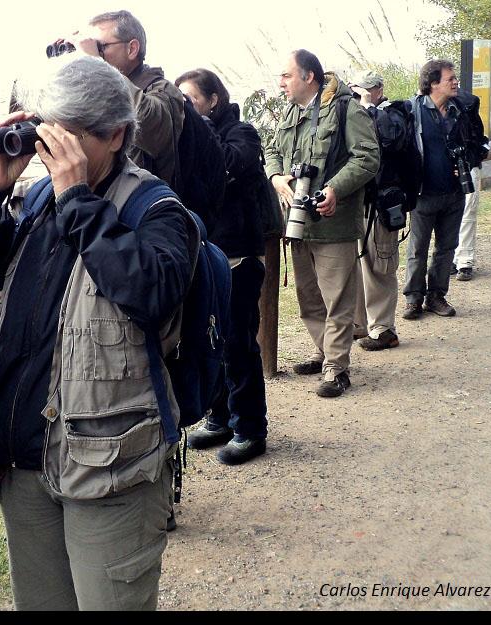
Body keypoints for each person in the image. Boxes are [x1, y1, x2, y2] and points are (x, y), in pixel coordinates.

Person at [0, 56, 199, 611]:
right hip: (25, 459)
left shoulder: (157, 210)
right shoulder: (35, 200)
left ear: (116, 135)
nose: (52, 147)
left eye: (69, 134)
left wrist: (77, 200)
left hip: (110, 470)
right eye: (46, 129)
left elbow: (151, 292)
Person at [266, 50, 379, 397]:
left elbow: (368, 157)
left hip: (334, 222)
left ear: (309, 77)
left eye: (286, 76)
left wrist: (334, 189)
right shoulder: (291, 110)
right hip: (298, 223)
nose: (281, 83)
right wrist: (276, 177)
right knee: (309, 299)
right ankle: (324, 350)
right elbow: (271, 150)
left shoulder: (347, 109)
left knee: (337, 299)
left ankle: (336, 368)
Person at [174, 68, 268, 465]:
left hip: (239, 255)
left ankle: (250, 428)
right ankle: (220, 418)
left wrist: (195, 126)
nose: (184, 110)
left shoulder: (241, 133)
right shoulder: (186, 140)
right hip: (206, 255)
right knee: (209, 339)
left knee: (238, 343)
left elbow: (227, 164)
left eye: (191, 101)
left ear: (213, 100)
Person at [402, 60, 487, 319]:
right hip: (423, 195)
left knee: (447, 247)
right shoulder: (412, 110)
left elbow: (478, 145)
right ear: (433, 83)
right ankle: (414, 299)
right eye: (450, 78)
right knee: (417, 249)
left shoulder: (462, 110)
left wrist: (467, 162)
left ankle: (436, 297)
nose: (455, 82)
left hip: (454, 194)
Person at [70, 9, 184, 187]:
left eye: (100, 47)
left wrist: (97, 63)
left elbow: (153, 128)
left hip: (140, 197)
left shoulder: (163, 89)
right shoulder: (93, 93)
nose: (93, 54)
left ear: (132, 49)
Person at [350, 70, 408, 351]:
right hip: (360, 203)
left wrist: (368, 108)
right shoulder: (357, 114)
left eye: (364, 90)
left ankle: (384, 329)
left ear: (378, 90)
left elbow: (389, 140)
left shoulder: (393, 114)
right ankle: (361, 324)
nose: (358, 95)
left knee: (380, 265)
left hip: (383, 205)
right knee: (358, 264)